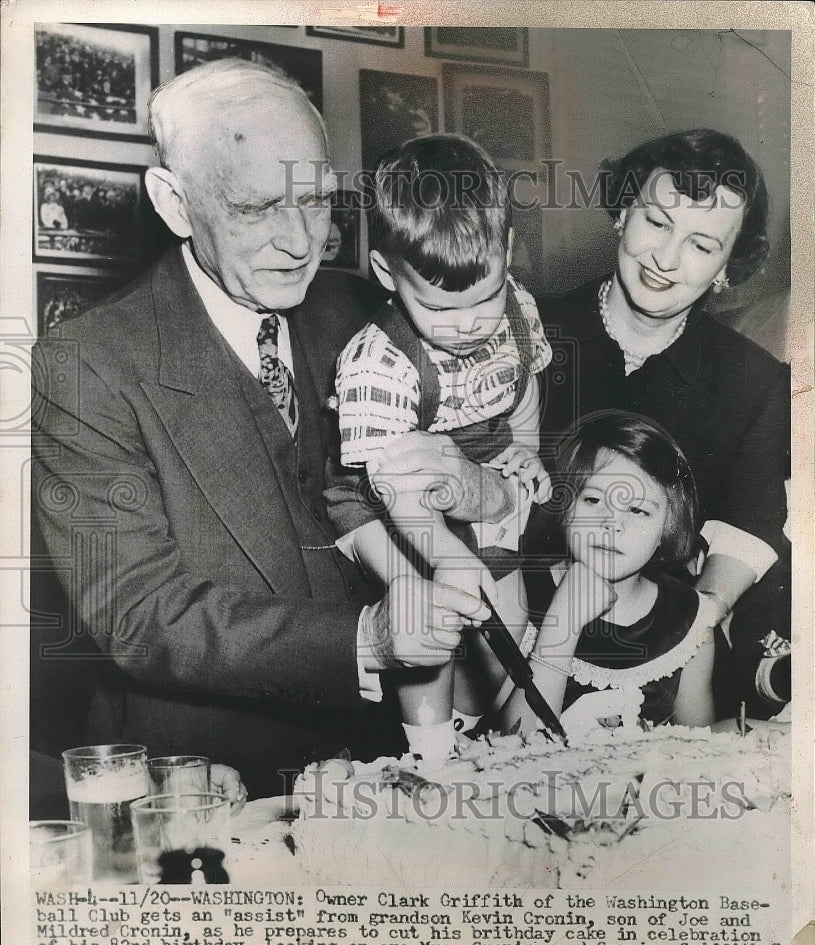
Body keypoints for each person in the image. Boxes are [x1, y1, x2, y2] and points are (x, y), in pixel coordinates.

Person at [30, 59, 503, 800]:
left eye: (315, 201)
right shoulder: (88, 363)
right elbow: (137, 614)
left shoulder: (365, 314)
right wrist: (365, 640)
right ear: (175, 204)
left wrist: (479, 486)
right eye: (255, 208)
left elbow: (500, 464)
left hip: (399, 769)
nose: (299, 242)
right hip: (212, 782)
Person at [534, 128, 790, 719]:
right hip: (523, 646)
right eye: (656, 221)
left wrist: (682, 636)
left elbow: (752, 525)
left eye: (702, 246)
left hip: (669, 671)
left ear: (727, 268)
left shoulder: (754, 381)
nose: (665, 260)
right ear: (623, 212)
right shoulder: (528, 332)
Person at [325, 135, 552, 761]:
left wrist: (526, 448)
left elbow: (522, 383)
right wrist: (446, 555)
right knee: (430, 612)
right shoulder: (376, 364)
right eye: (438, 308)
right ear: (386, 275)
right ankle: (430, 755)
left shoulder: (516, 311)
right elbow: (401, 492)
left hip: (475, 465)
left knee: (507, 606)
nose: (467, 324)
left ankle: (498, 738)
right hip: (386, 492)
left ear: (505, 252)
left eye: (484, 296)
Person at [499, 413, 717, 736]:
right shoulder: (520, 593)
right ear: (566, 505)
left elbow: (700, 753)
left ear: (667, 528)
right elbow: (510, 743)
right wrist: (565, 622)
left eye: (637, 509)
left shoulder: (688, 621)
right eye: (593, 499)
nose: (611, 524)